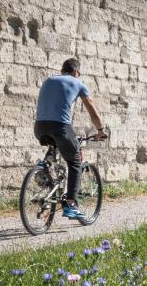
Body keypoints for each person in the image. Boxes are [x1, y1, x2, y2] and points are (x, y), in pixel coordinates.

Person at [34, 58, 107, 219]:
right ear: (76, 72)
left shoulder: (49, 80)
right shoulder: (78, 83)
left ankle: (44, 172)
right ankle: (71, 204)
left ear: (61, 71)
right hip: (60, 127)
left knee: (55, 146)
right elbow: (92, 111)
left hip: (39, 127)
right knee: (75, 161)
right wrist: (100, 130)